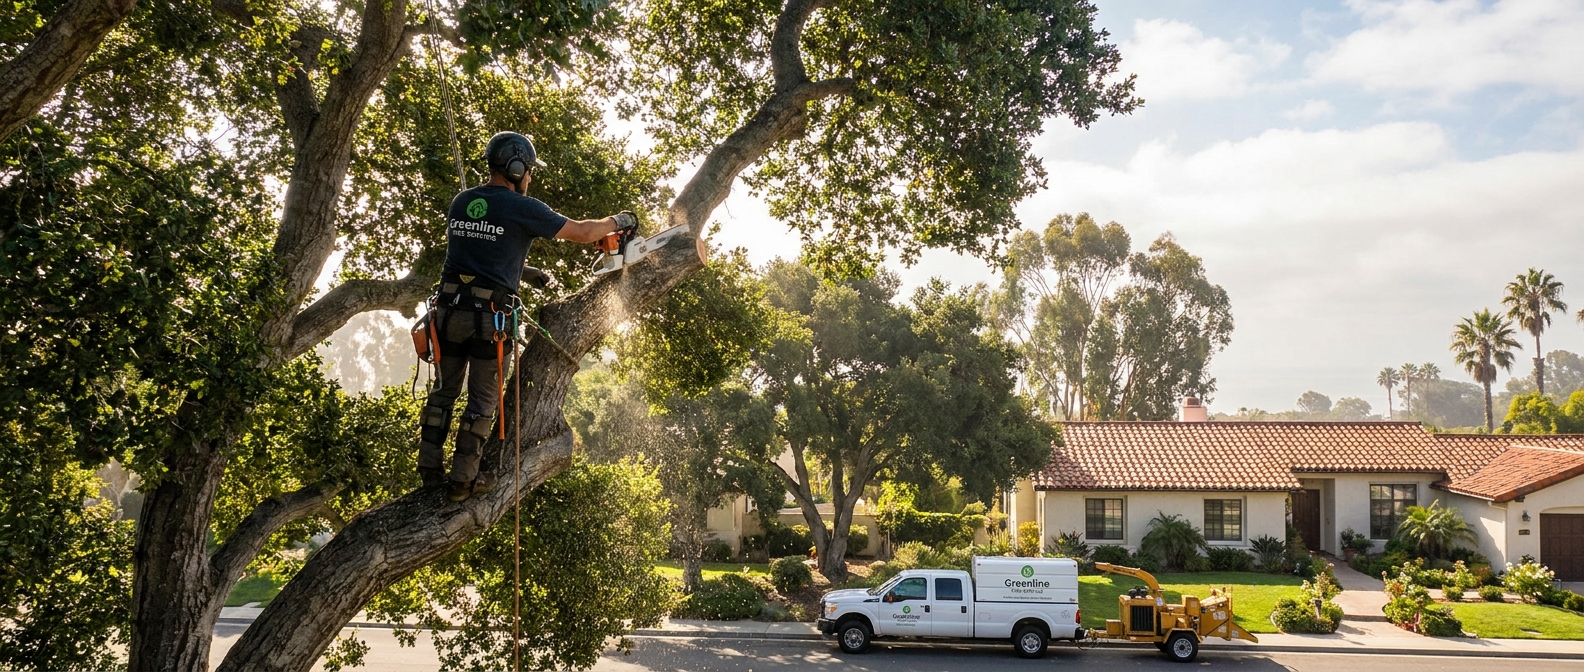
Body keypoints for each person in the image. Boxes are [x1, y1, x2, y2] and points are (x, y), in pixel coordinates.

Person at [418, 131, 636, 502]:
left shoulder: (462, 202)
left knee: (443, 394)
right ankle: (462, 481)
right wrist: (619, 219)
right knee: (482, 402)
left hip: (447, 314)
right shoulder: (523, 207)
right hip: (488, 321)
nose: (530, 177)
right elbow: (584, 233)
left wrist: (526, 271)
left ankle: (429, 470)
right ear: (516, 167)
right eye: (529, 170)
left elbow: (482, 254)